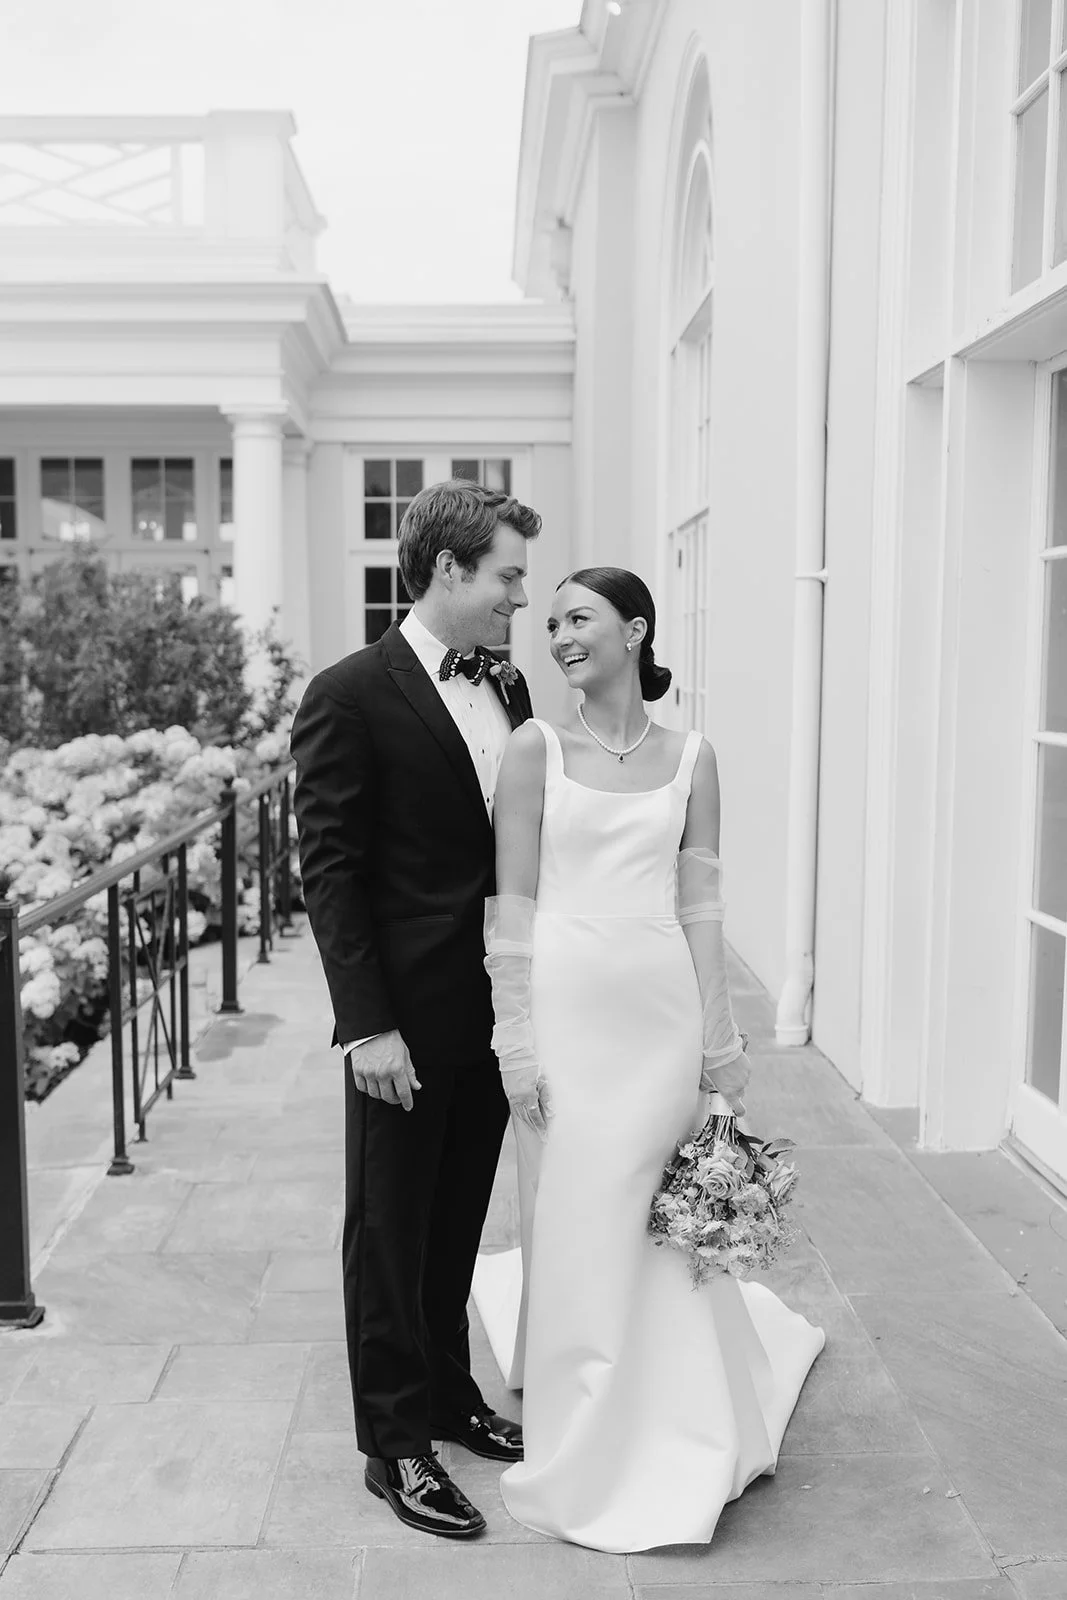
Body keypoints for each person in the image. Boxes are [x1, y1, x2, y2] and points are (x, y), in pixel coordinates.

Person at [482, 565, 825, 1553]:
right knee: (580, 1216)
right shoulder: (530, 749)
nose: (556, 636)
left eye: (577, 618)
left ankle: (681, 1416)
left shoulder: (693, 757)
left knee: (661, 1215)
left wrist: (720, 1045)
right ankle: (580, 1430)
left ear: (635, 630)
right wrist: (513, 1036)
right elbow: (510, 909)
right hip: (564, 1006)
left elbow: (701, 908)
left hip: (660, 1013)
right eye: (547, 623)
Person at [290, 479, 541, 1541]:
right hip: (404, 1015)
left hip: (493, 1007)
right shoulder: (348, 694)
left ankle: (447, 1394)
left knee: (455, 1217)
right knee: (388, 1228)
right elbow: (330, 871)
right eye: (507, 576)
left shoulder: (511, 688)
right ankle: (393, 1444)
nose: (518, 599)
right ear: (448, 570)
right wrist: (364, 1023)